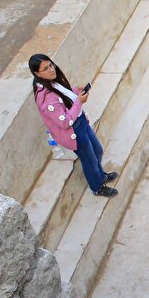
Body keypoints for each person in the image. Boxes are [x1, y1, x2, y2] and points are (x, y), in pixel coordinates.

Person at [28, 53, 118, 197]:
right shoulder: (46, 100)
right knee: (89, 159)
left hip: (80, 121)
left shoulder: (53, 80)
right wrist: (79, 102)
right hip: (73, 130)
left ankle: (101, 175)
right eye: (45, 68)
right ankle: (97, 186)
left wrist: (75, 92)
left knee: (97, 150)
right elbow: (65, 122)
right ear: (37, 73)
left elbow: (64, 96)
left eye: (50, 65)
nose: (51, 69)